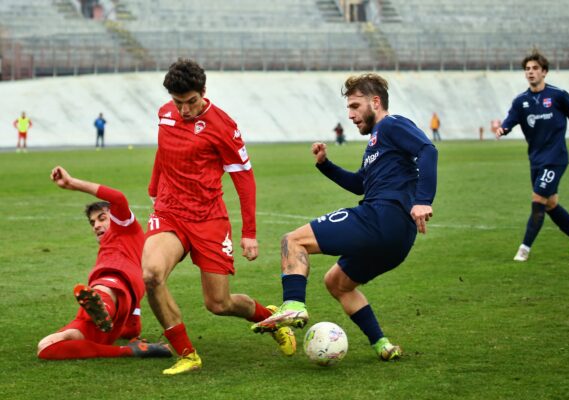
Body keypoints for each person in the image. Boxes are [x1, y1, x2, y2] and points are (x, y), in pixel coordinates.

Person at [251, 73, 438, 361]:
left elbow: (428, 149)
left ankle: (293, 305)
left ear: (375, 102)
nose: (350, 115)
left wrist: (423, 200)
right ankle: (381, 344)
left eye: (354, 106)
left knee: (293, 240)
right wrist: (325, 165)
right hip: (397, 240)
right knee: (337, 282)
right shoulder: (377, 143)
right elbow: (360, 184)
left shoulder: (391, 124)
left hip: (381, 216)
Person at [142, 59, 295, 375]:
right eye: (178, 102)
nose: (184, 110)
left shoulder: (223, 126)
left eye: (191, 102)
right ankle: (187, 354)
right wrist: (154, 188)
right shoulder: (164, 115)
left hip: (208, 220)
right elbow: (162, 150)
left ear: (204, 92)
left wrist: (249, 232)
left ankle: (269, 316)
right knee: (152, 275)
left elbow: (244, 177)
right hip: (170, 213)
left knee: (218, 304)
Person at [38, 166, 172, 360]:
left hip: (113, 286)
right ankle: (126, 348)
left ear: (116, 218)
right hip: (114, 312)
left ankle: (101, 305)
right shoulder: (123, 249)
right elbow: (133, 324)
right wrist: (132, 329)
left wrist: (72, 183)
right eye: (93, 223)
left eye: (102, 218)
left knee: (104, 285)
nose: (97, 225)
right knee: (45, 347)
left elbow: (118, 198)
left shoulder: (126, 229)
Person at [495, 50, 569, 262]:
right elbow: (510, 120)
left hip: (556, 158)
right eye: (527, 69)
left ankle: (524, 249)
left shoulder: (558, 96)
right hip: (536, 160)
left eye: (534, 69)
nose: (530, 72)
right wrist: (502, 129)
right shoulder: (520, 101)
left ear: (544, 72)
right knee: (550, 204)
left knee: (538, 200)